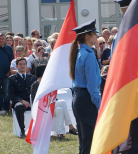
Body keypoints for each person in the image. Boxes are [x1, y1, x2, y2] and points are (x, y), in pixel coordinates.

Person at [69, 19, 101, 154]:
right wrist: (100, 105)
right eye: (94, 34)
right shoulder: (88, 55)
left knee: (84, 140)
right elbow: (92, 86)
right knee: (89, 140)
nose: (97, 37)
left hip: (79, 97)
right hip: (86, 99)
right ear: (87, 36)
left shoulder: (80, 52)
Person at [30, 65, 78, 140]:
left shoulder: (48, 85)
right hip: (42, 108)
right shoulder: (35, 85)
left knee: (60, 109)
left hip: (51, 107)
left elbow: (54, 97)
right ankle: (71, 126)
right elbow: (35, 101)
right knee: (62, 102)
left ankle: (61, 135)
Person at [9, 57, 37, 138]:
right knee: (18, 107)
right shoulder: (12, 79)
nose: (22, 66)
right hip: (19, 102)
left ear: (26, 65)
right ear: (17, 66)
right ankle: (22, 130)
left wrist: (32, 102)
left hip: (31, 101)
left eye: (24, 64)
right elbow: (11, 95)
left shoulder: (32, 77)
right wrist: (22, 101)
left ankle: (40, 130)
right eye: (20, 64)